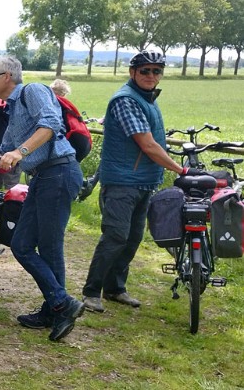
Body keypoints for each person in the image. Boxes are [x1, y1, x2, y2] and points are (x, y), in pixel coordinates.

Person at [81, 50, 192, 313]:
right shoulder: (126, 100)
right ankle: (91, 292)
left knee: (132, 239)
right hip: (122, 182)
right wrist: (180, 170)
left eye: (157, 71)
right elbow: (147, 144)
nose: (151, 76)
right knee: (115, 236)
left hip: (143, 181)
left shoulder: (147, 99)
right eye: (145, 70)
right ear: (132, 72)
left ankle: (115, 288)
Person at [0, 55, 84, 342]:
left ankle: (57, 307)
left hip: (59, 172)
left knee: (50, 246)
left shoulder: (34, 91)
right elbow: (3, 147)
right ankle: (58, 303)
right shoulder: (14, 109)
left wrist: (20, 153)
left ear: (6, 76)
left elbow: (51, 124)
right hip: (42, 177)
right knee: (22, 244)